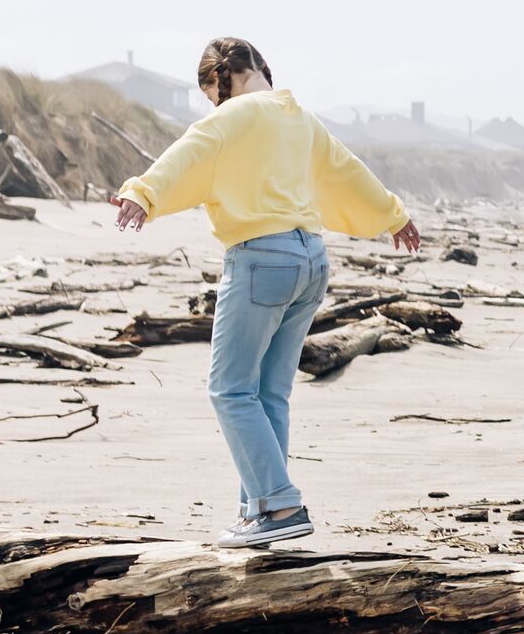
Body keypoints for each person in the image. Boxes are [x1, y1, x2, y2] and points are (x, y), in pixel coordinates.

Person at [112, 37, 420, 548]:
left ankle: (278, 505)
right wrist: (394, 215)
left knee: (230, 389)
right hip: (311, 261)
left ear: (223, 75)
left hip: (261, 260)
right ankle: (260, 510)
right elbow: (346, 172)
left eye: (213, 91)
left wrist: (141, 192)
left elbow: (185, 157)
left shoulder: (229, 118)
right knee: (269, 393)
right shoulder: (299, 118)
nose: (214, 102)